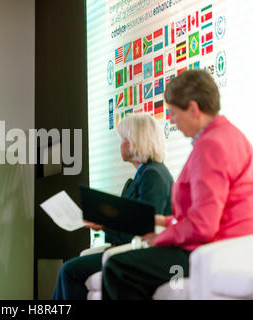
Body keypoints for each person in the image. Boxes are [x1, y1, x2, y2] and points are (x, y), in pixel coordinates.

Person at [101, 69, 253, 300]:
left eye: (173, 113)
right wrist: (165, 221)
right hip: (227, 247)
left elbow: (203, 225)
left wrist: (158, 238)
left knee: (118, 268)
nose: (171, 121)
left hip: (208, 251)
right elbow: (206, 212)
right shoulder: (231, 135)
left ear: (193, 109)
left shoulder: (210, 145)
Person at [53, 113, 174, 300]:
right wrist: (103, 222)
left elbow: (143, 226)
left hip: (138, 251)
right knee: (68, 270)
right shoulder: (145, 174)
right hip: (125, 246)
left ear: (137, 141)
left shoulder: (153, 175)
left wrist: (104, 225)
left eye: (124, 139)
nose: (121, 145)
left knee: (69, 271)